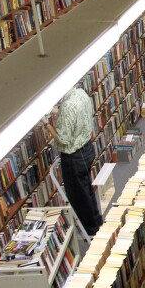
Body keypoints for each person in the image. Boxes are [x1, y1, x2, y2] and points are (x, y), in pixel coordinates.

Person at [44, 86, 103, 236]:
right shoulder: (80, 93)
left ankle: (91, 230)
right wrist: (55, 111)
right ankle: (96, 221)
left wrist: (46, 123)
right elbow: (75, 114)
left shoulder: (68, 106)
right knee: (86, 189)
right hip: (87, 149)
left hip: (74, 157)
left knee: (78, 196)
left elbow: (63, 140)